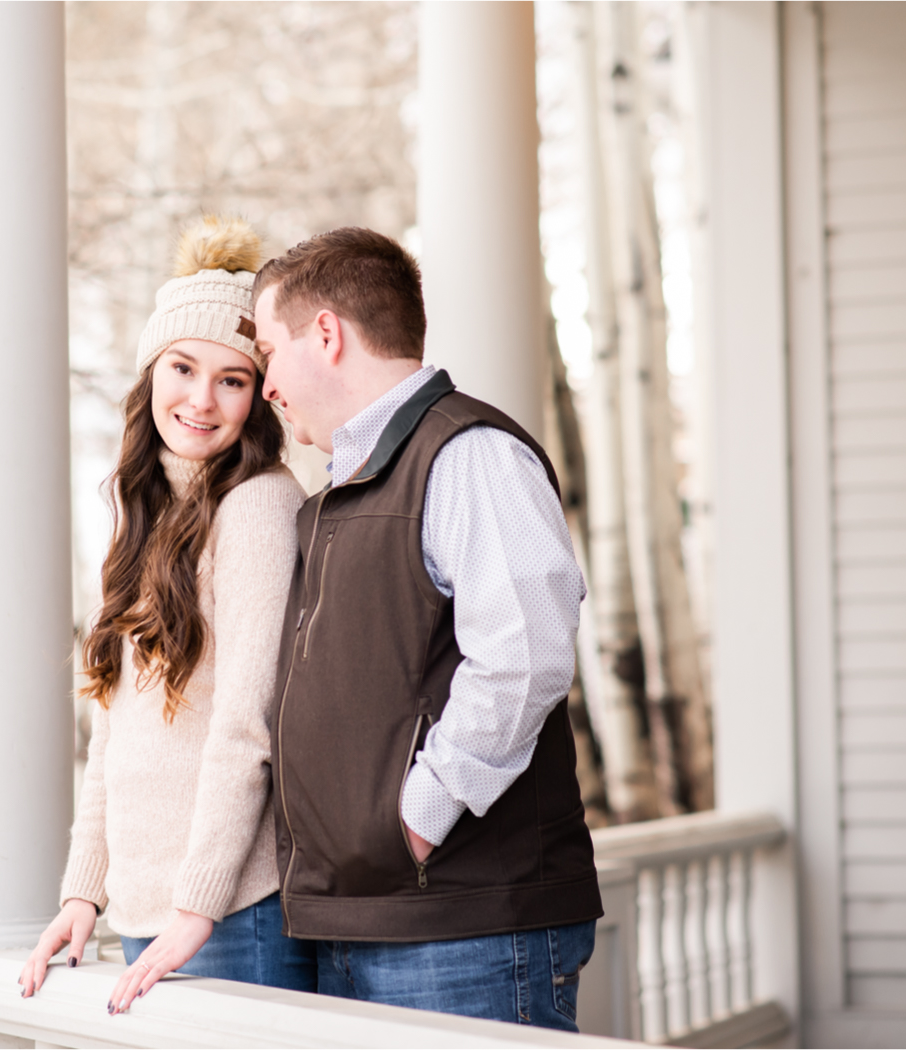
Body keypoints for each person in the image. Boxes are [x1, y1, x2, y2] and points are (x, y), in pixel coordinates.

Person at [251, 227, 602, 1031]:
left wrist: (414, 822)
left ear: (328, 334)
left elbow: (524, 658)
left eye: (269, 350)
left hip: (461, 926)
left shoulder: (468, 455)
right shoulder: (339, 496)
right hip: (366, 917)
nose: (267, 383)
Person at [19, 217, 316, 1012]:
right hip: (153, 910)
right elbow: (115, 726)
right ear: (152, 369)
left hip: (233, 912)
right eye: (183, 367)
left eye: (233, 379)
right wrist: (84, 890)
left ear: (258, 397)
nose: (201, 399)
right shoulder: (142, 512)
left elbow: (247, 722)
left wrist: (202, 903)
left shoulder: (257, 506)